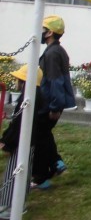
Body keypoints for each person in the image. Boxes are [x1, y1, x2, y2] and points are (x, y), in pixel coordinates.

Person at [33, 15, 76, 188]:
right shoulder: (56, 50)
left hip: (49, 103)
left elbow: (55, 81)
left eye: (42, 29)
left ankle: (42, 177)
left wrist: (55, 107)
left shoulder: (52, 53)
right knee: (43, 136)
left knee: (38, 138)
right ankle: (55, 165)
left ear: (49, 32)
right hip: (50, 102)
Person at [0, 65, 44, 218]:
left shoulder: (28, 98)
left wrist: (7, 142)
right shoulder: (34, 95)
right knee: (23, 172)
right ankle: (20, 203)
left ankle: (9, 206)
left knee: (14, 173)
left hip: (21, 141)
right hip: (28, 140)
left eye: (18, 79)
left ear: (24, 80)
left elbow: (19, 124)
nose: (16, 82)